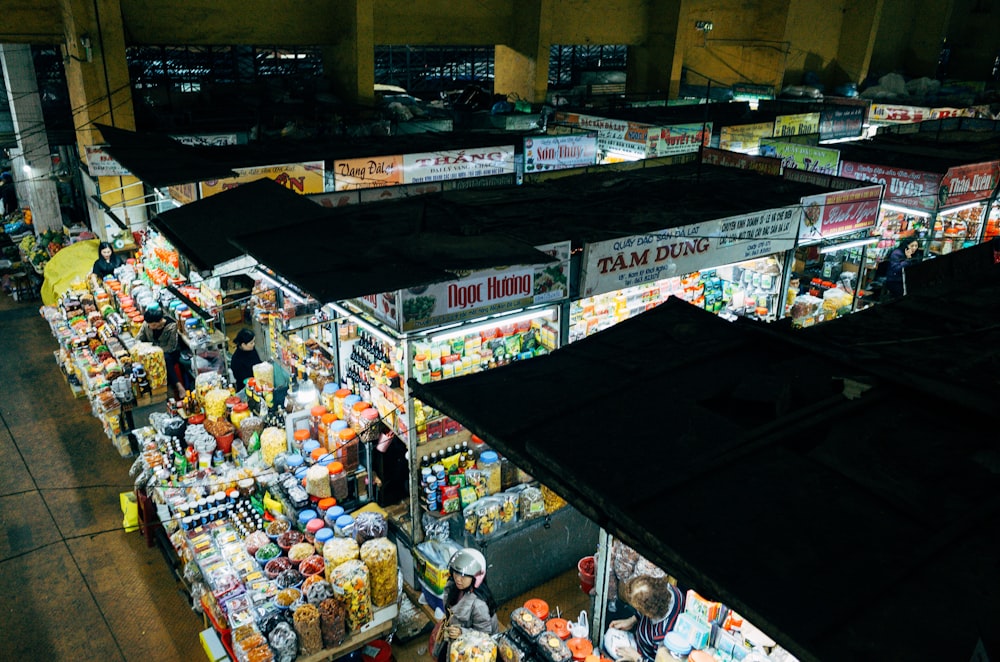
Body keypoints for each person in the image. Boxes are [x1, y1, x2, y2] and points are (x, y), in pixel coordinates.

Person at [435, 548, 499, 661]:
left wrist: (462, 633)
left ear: (476, 577)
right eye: (456, 572)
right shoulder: (453, 587)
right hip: (455, 635)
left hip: (475, 647)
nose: (458, 579)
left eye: (464, 575)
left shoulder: (479, 605)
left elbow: (485, 635)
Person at [608, 575, 685, 662]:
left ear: (649, 613)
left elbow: (658, 660)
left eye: (638, 608)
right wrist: (632, 620)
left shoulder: (662, 636)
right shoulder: (668, 590)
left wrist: (636, 657)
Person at [137, 307, 186, 398]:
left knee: (166, 360)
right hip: (150, 351)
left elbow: (171, 346)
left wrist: (155, 351)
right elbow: (139, 338)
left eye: (153, 325)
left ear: (159, 322)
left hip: (169, 353)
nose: (150, 327)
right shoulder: (147, 324)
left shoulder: (171, 326)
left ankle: (179, 387)